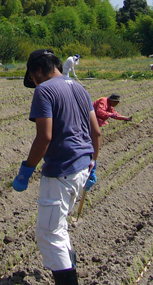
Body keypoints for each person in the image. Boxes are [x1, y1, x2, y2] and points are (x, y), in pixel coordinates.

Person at [12, 49, 102, 285]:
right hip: (82, 167)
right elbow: (97, 132)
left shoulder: (44, 90)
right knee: (59, 227)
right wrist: (93, 164)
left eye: (32, 77)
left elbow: (45, 136)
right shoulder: (80, 88)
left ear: (38, 70)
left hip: (62, 171)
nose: (34, 82)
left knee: (49, 233)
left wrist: (26, 170)